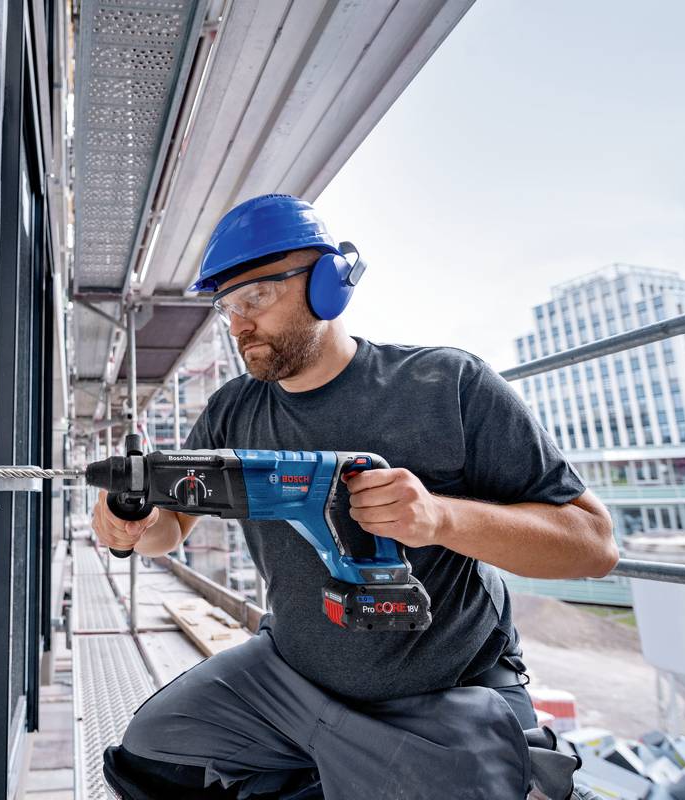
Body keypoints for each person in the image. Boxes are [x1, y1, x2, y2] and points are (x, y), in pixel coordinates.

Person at [92, 194, 617, 799]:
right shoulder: (232, 409)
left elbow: (593, 547)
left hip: (441, 692)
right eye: (227, 306)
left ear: (327, 284)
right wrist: (134, 522)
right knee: (151, 755)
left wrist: (441, 518)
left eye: (256, 297)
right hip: (288, 678)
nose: (238, 325)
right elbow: (171, 528)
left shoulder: (446, 385)